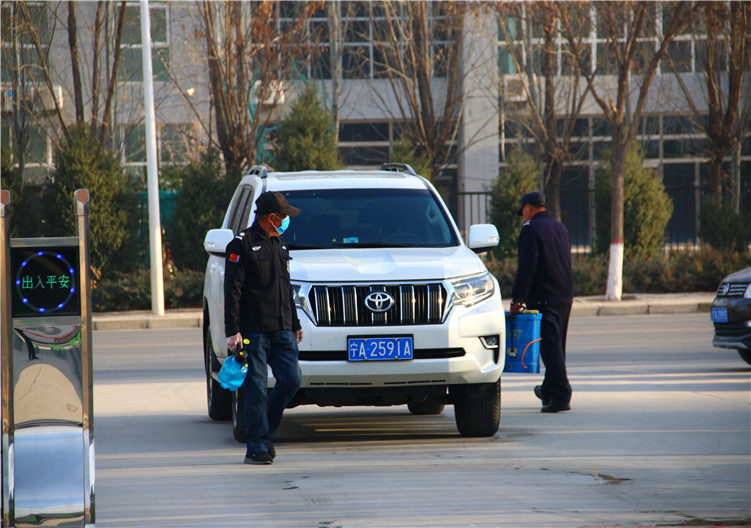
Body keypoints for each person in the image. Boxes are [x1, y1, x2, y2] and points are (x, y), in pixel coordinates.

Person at [224, 191, 304, 464]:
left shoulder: (280, 243)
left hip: (282, 328)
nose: (285, 222)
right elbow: (232, 291)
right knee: (256, 388)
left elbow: (286, 287)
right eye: (283, 217)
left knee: (292, 380)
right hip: (253, 331)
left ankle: (265, 432)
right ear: (271, 218)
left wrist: (295, 323)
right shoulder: (241, 245)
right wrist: (232, 331)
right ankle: (257, 447)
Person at [510, 191, 574, 413]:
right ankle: (548, 389)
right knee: (557, 347)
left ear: (528, 207)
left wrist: (518, 298)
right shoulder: (560, 227)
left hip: (544, 296)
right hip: (564, 294)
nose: (523, 217)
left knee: (549, 348)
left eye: (523, 213)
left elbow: (526, 268)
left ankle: (560, 395)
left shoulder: (531, 229)